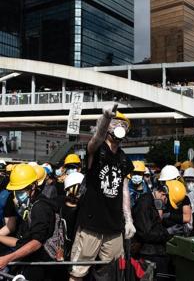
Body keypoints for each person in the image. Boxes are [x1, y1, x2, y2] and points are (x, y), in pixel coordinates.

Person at [69, 104, 135, 281]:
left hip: (114, 227)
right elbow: (95, 141)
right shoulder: (97, 151)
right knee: (77, 273)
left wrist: (128, 220)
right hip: (91, 225)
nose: (119, 128)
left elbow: (124, 189)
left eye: (123, 125)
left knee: (113, 272)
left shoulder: (123, 159)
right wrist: (105, 118)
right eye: (115, 124)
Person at [0, 164, 58, 281]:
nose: (16, 195)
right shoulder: (30, 206)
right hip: (31, 260)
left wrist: (8, 258)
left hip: (41, 266)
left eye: (21, 190)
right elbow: (22, 242)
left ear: (33, 187)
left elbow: (36, 242)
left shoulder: (40, 208)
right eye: (15, 191)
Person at [132, 185, 172, 281]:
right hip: (149, 254)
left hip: (155, 251)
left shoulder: (151, 201)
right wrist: (167, 232)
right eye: (164, 197)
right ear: (161, 193)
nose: (164, 200)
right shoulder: (145, 203)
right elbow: (146, 233)